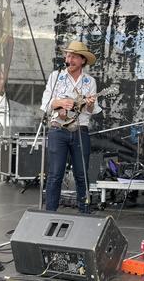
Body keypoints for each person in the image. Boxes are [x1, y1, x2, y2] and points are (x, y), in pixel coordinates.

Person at [40, 40, 101, 213]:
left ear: (83, 60)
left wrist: (89, 103)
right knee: (55, 175)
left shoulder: (90, 82)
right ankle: (50, 213)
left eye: (74, 56)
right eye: (68, 55)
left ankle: (84, 211)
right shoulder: (55, 76)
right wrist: (60, 102)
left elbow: (90, 110)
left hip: (80, 130)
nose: (70, 59)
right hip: (57, 130)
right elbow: (46, 103)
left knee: (81, 175)